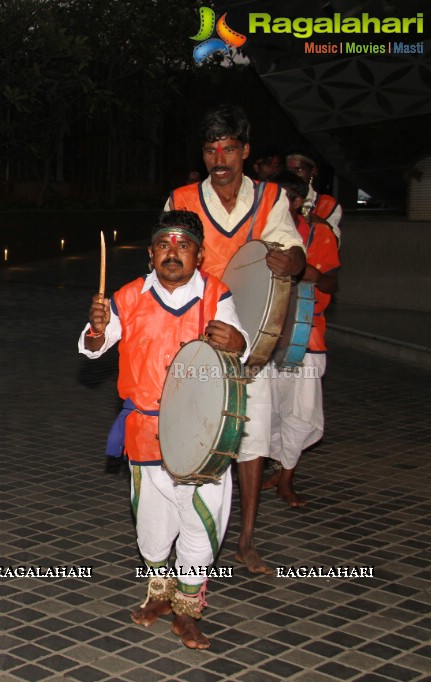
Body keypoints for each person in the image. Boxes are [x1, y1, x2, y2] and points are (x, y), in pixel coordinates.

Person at [79, 211, 248, 649]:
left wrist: (238, 343)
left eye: (183, 245)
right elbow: (94, 348)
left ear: (198, 253)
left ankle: (188, 610)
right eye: (163, 245)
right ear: (151, 253)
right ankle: (158, 594)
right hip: (145, 431)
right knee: (152, 527)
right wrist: (98, 330)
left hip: (203, 434)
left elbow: (241, 347)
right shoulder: (129, 296)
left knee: (200, 523)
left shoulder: (217, 294)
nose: (172, 253)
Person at [166, 104, 306, 575]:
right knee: (194, 434)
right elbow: (169, 261)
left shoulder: (269, 198)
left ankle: (245, 540)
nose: (219, 158)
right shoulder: (182, 199)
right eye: (210, 149)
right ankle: (186, 537)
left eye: (228, 148)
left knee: (253, 439)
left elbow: (293, 251)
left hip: (250, 340)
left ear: (245, 151)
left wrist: (292, 264)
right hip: (200, 335)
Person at [264, 171, 340, 507]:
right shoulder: (258, 232)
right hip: (262, 337)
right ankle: (280, 469)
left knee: (299, 412)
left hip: (304, 336)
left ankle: (286, 479)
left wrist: (306, 271)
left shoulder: (319, 232)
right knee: (270, 412)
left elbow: (331, 285)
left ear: (295, 202)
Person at [286, 152, 342, 242]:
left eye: (298, 170)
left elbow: (335, 243)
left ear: (313, 171)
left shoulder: (327, 204)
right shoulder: (278, 197)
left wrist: (324, 225)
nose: (293, 175)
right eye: (289, 170)